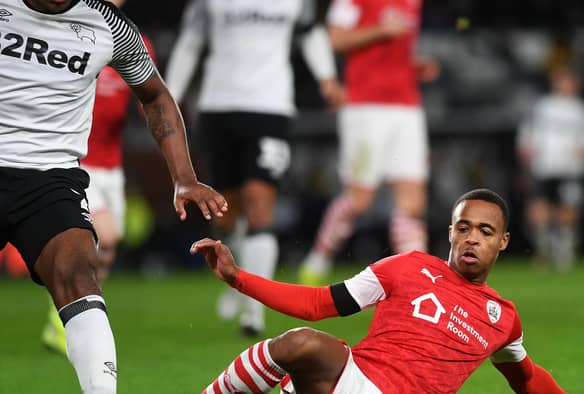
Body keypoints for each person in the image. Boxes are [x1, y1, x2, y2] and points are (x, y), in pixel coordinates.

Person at [133, 189, 583, 394]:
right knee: (303, 342)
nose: (472, 239)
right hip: (342, 381)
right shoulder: (407, 266)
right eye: (463, 227)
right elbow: (318, 303)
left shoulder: (502, 318)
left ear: (503, 242)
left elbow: (526, 379)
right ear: (449, 232)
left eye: (485, 232)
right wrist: (238, 278)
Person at [0, 0, 227, 394]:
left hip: (49, 183)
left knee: (79, 272)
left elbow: (156, 96)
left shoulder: (109, 26)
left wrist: (183, 176)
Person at [165, 0, 344, 337]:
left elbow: (310, 33)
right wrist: (168, 97)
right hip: (219, 108)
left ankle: (253, 312)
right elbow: (190, 42)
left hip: (271, 108)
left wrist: (328, 78)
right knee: (225, 214)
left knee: (261, 207)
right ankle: (235, 275)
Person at [41, 0, 156, 355]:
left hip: (111, 162)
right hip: (76, 156)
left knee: (110, 240)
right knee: (102, 234)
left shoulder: (131, 38)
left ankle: (69, 315)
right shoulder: (68, 31)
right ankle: (62, 319)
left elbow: (148, 96)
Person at [298, 0, 439, 285]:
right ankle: (318, 259)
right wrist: (380, 31)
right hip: (364, 107)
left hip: (406, 105)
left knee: (412, 199)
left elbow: (395, 50)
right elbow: (335, 38)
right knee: (359, 199)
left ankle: (413, 281)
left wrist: (413, 66)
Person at [517, 65, 584, 271]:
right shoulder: (542, 106)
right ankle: (543, 250)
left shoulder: (579, 109)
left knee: (568, 208)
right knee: (539, 208)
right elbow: (527, 131)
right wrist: (525, 149)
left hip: (570, 168)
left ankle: (564, 252)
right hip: (544, 166)